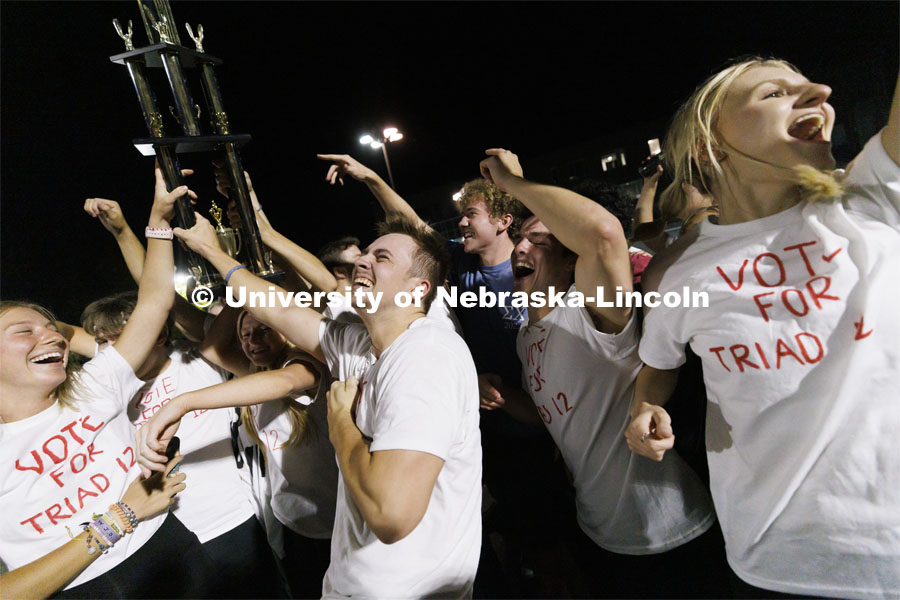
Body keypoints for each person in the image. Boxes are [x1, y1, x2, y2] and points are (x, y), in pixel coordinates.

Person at [627, 57, 900, 599]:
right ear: (711, 147)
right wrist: (643, 408)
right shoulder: (681, 274)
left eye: (814, 87)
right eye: (776, 92)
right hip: (774, 561)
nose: (822, 90)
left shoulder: (872, 198)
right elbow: (658, 366)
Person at [140, 211, 483, 598]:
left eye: (381, 257)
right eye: (364, 254)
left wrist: (342, 426)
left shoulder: (425, 355)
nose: (361, 261)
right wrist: (213, 252)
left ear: (417, 289)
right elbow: (281, 309)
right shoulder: (359, 346)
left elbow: (392, 515)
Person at [478, 149, 722, 598]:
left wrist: (512, 182)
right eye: (521, 240)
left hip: (669, 531)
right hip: (597, 531)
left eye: (541, 240)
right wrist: (498, 391)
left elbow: (603, 233)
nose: (522, 247)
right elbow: (548, 414)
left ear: (572, 263)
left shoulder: (595, 313)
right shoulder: (525, 337)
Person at [318, 153, 559, 595]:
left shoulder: (538, 268)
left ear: (506, 221)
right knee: (488, 530)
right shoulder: (462, 269)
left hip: (538, 421)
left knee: (550, 540)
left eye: (470, 215)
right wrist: (372, 177)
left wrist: (518, 181)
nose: (461, 224)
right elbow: (411, 228)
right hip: (482, 420)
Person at [0, 166, 214, 598]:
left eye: (51, 327)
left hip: (177, 557)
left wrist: (157, 223)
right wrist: (120, 518)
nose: (53, 336)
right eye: (26, 331)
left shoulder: (92, 386)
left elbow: (154, 301)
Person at [77, 291, 283, 599]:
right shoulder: (103, 391)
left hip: (232, 522)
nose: (106, 352)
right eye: (100, 342)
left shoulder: (199, 361)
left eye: (114, 339)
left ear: (157, 333)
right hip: (164, 540)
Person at [140, 306, 339, 599]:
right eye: (245, 335)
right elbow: (212, 349)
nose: (253, 341)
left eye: (264, 330)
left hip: (334, 517)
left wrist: (182, 403)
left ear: (286, 331)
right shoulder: (255, 372)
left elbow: (284, 383)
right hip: (293, 519)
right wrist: (238, 302)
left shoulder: (304, 364)